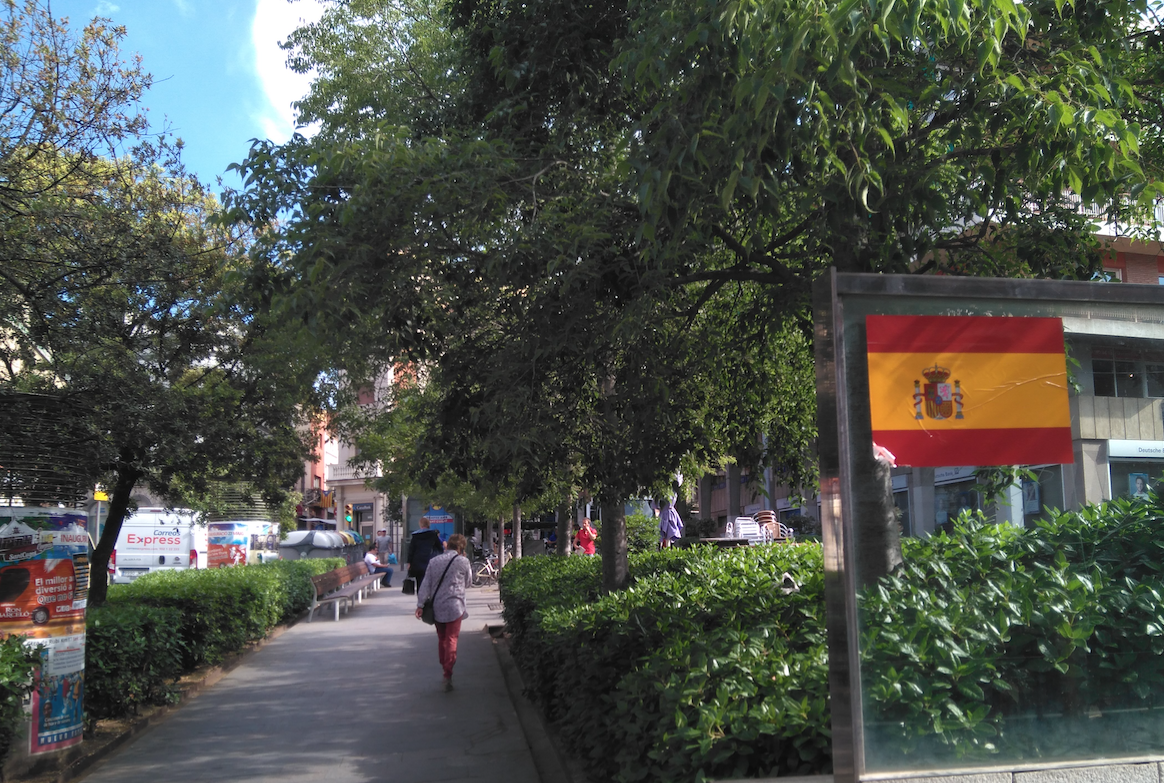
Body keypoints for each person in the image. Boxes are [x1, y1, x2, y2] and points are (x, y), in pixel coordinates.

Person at [415, 533, 473, 691]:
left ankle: (444, 667)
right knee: (452, 638)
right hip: (456, 606)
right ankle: (448, 672)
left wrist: (420, 604)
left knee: (442, 638)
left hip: (438, 606)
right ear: (461, 548)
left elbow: (426, 584)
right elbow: (468, 583)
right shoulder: (463, 561)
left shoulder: (434, 561)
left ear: (447, 546)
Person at [407, 516, 444, 589]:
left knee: (419, 581)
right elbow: (439, 548)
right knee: (431, 582)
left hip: (417, 562)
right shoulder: (433, 534)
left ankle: (420, 597)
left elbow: (411, 550)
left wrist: (409, 562)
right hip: (431, 561)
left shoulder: (415, 536)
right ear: (428, 524)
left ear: (420, 525)